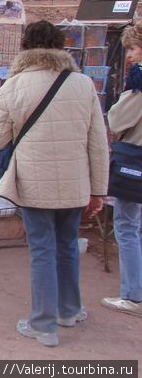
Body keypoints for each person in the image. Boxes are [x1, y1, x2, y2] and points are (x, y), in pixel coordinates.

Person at [0, 21, 109, 347]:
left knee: (42, 249)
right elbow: (98, 143)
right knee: (67, 245)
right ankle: (69, 310)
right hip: (75, 182)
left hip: (34, 183)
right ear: (60, 46)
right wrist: (99, 190)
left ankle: (43, 324)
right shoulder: (83, 84)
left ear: (26, 46)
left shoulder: (13, 85)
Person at [101, 23, 142, 317]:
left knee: (127, 226)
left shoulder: (138, 84)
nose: (128, 54)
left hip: (136, 159)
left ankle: (133, 294)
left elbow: (116, 119)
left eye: (132, 48)